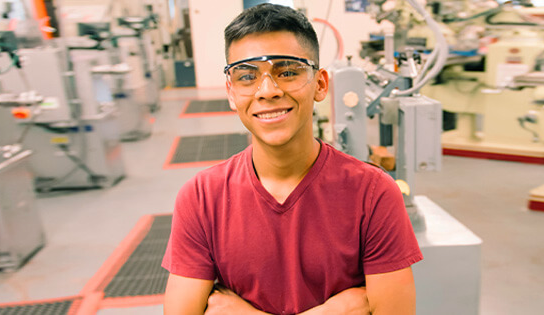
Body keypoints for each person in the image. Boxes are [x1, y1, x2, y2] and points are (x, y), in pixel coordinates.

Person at [162, 4, 421, 315]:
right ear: (231, 92)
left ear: (321, 84)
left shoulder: (373, 193)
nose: (267, 90)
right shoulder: (202, 197)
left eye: (287, 72)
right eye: (247, 76)